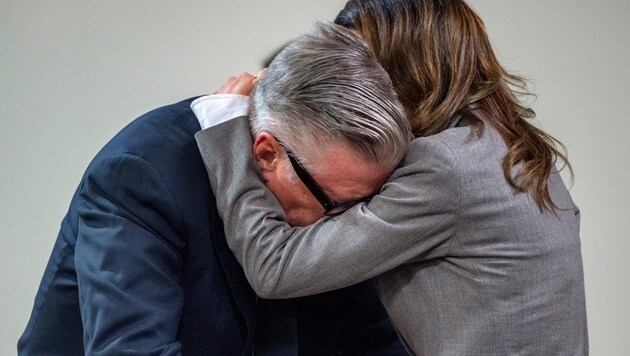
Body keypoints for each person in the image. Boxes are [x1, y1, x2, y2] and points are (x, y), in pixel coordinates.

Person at [195, 1, 588, 355]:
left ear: (401, 64)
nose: (350, 80)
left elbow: (276, 268)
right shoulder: (509, 144)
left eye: (358, 62)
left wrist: (224, 126)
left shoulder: (445, 166)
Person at [18, 22, 411, 355]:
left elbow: (371, 340)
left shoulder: (335, 192)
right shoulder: (144, 175)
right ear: (267, 154)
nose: (343, 224)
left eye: (363, 205)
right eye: (334, 203)